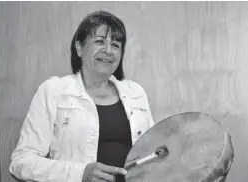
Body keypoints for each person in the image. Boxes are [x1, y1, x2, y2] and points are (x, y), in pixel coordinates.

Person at [9, 10, 154, 182]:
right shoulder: (53, 91)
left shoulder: (136, 93)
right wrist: (79, 173)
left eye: (115, 45)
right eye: (100, 41)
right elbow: (21, 162)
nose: (108, 50)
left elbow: (153, 153)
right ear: (79, 48)